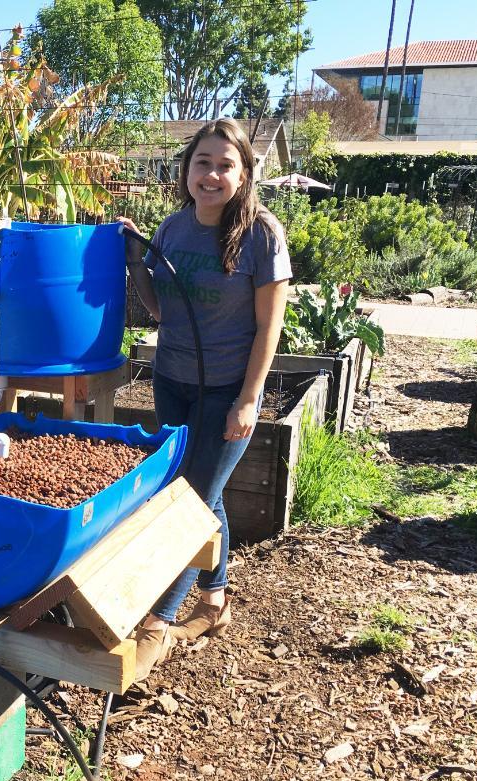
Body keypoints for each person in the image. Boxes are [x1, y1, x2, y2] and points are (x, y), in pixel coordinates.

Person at [119, 118, 292, 679]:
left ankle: (160, 622)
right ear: (187, 169)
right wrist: (132, 259)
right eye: (202, 163)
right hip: (172, 379)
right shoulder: (172, 230)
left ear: (243, 174)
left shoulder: (262, 234)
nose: (211, 174)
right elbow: (162, 308)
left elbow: (270, 328)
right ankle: (215, 598)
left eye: (225, 165)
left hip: (225, 388)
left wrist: (249, 398)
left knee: (191, 499)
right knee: (197, 490)